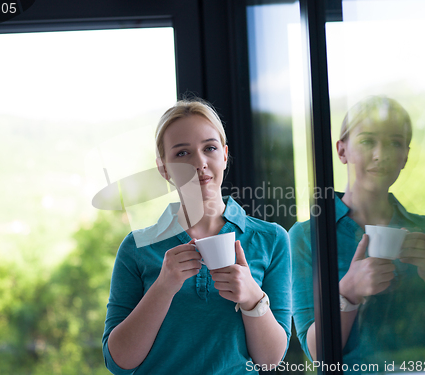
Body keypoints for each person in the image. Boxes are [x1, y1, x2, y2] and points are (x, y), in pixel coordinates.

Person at [102, 99, 291, 375]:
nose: (199, 162)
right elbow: (117, 362)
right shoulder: (136, 247)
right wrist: (163, 287)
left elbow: (271, 361)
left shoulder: (272, 240)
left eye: (210, 148)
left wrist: (252, 298)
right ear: (164, 169)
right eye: (182, 154)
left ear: (224, 155)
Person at [290, 96, 425, 369]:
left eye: (395, 143)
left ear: (405, 156)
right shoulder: (307, 238)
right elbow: (316, 354)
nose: (381, 155)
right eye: (368, 141)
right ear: (342, 151)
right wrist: (348, 292)